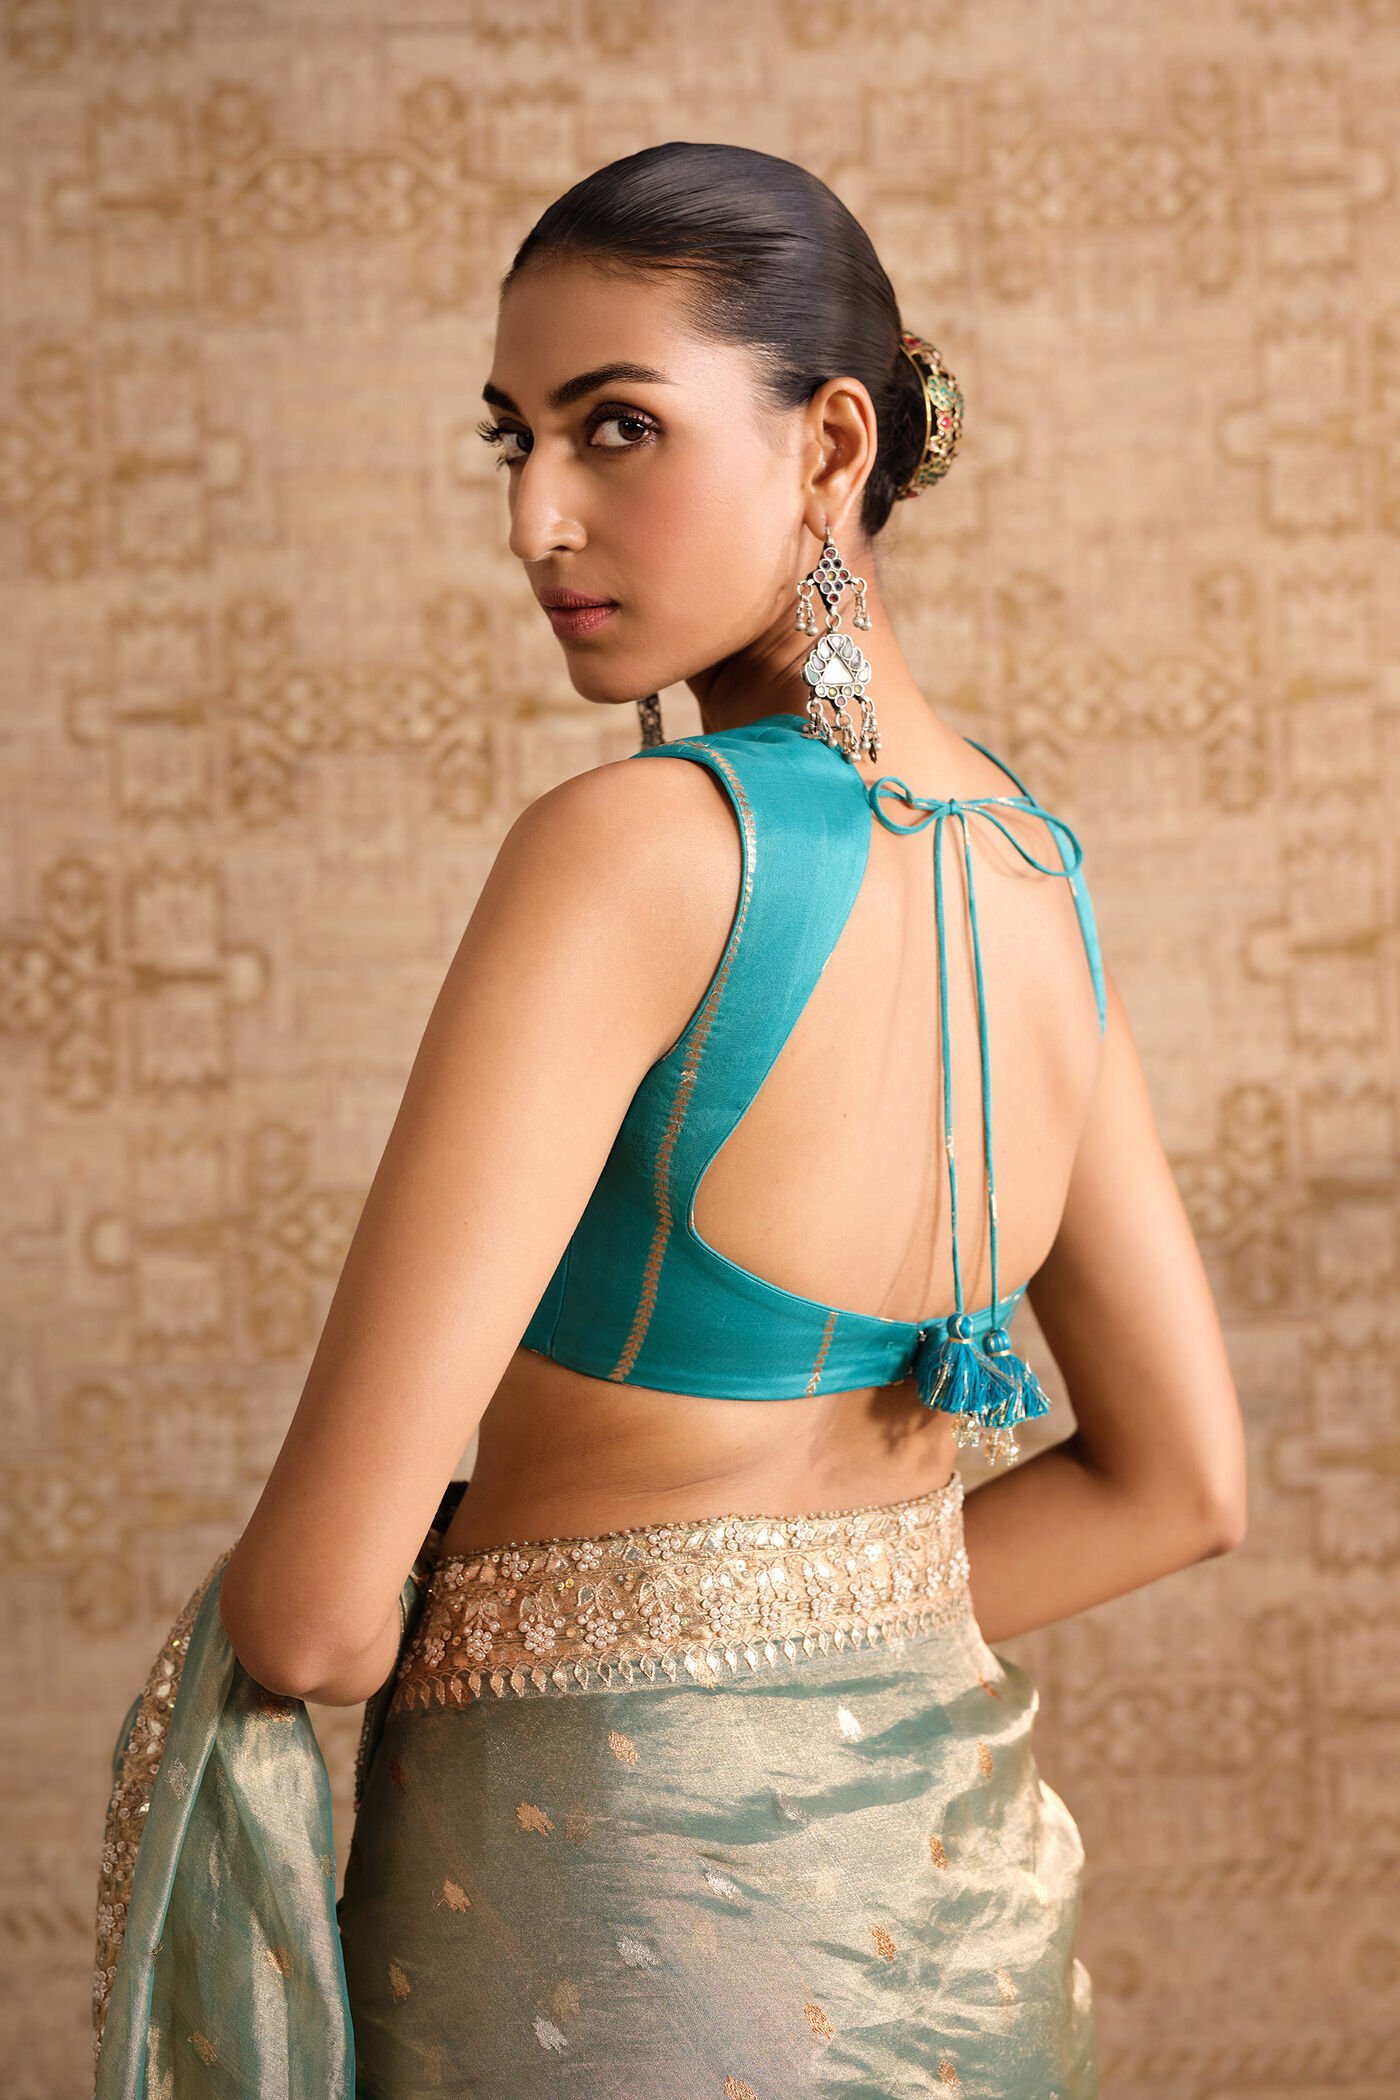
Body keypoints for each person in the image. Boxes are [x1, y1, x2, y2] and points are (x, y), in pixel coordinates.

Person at [91, 141, 1247, 2098]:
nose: (536, 518)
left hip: (606, 1931)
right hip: (948, 1920)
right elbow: (1180, 1489)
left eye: (616, 427)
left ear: (831, 444)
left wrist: (594, 1640)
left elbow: (311, 1616)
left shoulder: (634, 853)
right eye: (515, 438)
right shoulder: (1034, 867)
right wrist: (816, 1641)